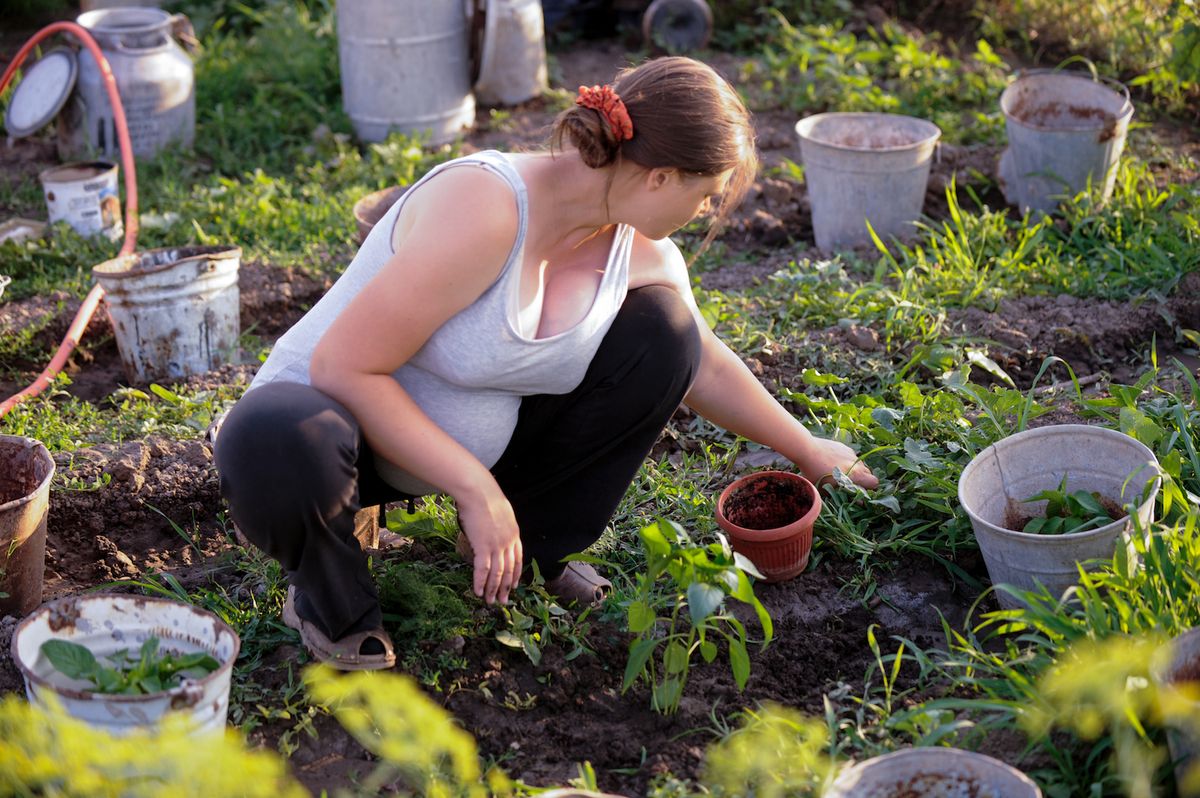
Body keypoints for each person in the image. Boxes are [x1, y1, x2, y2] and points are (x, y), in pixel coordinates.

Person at [214, 56, 878, 671]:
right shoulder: (487, 208)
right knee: (277, 435)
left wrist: (809, 447)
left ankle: (527, 552)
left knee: (667, 334)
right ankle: (330, 596)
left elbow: (704, 366)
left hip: (452, 450)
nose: (703, 212)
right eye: (705, 195)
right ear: (660, 177)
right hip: (330, 438)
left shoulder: (636, 249)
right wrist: (476, 490)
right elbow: (342, 368)